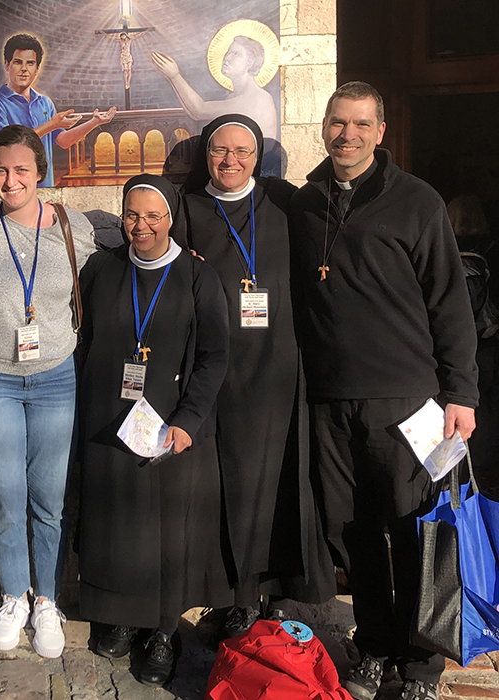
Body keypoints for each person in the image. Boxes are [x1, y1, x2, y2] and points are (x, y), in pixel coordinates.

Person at [289, 81, 479, 700]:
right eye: (338, 123)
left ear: (381, 131)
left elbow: (449, 303)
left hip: (409, 400)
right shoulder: (306, 202)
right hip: (329, 400)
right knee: (352, 531)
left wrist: (462, 393)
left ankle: (422, 664)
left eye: (361, 124)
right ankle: (373, 644)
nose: (348, 135)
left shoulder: (417, 202)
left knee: (414, 530)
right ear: (323, 126)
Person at [177, 114, 334, 640]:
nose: (231, 162)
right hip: (219, 368)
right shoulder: (188, 207)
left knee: (279, 479)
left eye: (243, 152)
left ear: (258, 155)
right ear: (207, 153)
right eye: (221, 151)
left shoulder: (285, 200)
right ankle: (238, 594)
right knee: (228, 485)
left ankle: (278, 589)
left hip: (278, 365)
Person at [76, 174, 230, 688]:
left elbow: (214, 356)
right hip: (110, 418)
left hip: (170, 423)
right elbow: (87, 339)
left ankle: (163, 631)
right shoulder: (102, 268)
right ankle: (122, 616)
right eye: (131, 215)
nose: (140, 226)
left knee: (167, 532)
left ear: (171, 219)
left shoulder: (196, 276)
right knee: (117, 524)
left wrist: (189, 421)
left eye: (152, 216)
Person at [0, 124, 96, 658]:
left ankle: (48, 601)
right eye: (0, 170)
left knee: (49, 496)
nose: (10, 180)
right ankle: (14, 595)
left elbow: (115, 267)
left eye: (20, 170)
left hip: (56, 374)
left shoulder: (71, 225)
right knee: (4, 494)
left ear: (40, 171)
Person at [0, 33, 117, 187]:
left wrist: (94, 122)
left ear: (37, 68)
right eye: (18, 62)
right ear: (7, 64)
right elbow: (7, 146)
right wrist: (52, 124)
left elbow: (63, 141)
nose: (24, 69)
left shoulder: (44, 102)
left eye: (30, 63)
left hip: (46, 186)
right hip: (14, 188)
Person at [151, 36, 278, 141]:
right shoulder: (234, 96)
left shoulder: (256, 98)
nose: (227, 57)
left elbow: (199, 110)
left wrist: (175, 76)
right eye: (228, 52)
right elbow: (193, 114)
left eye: (236, 54)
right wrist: (171, 77)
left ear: (249, 63)